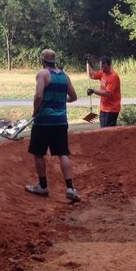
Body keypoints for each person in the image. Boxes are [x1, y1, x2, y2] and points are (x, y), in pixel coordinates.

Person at [24, 49, 80, 202]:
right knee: (62, 153)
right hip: (61, 121)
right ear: (54, 61)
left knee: (38, 153)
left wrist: (35, 111)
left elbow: (39, 95)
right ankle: (70, 188)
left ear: (43, 61)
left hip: (43, 120)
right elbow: (74, 97)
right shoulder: (64, 76)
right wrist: (61, 100)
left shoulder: (42, 74)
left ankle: (43, 186)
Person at [85, 54, 121, 127]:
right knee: (103, 130)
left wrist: (93, 91)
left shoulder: (113, 77)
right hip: (103, 108)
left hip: (112, 109)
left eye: (103, 67)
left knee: (108, 132)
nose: (102, 68)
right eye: (101, 66)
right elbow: (92, 75)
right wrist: (87, 63)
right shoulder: (102, 73)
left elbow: (108, 93)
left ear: (108, 65)